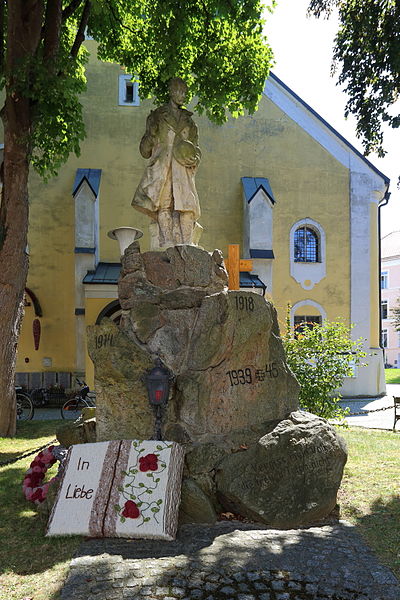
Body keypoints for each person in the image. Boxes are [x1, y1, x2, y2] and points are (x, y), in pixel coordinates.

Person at [132, 77, 201, 247]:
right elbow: (144, 150)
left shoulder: (190, 121)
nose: (183, 95)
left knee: (186, 205)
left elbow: (196, 149)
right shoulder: (157, 116)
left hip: (182, 169)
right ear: (171, 91)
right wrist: (151, 134)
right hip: (162, 168)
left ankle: (186, 244)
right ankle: (166, 242)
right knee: (164, 204)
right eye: (180, 91)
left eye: (185, 92)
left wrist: (195, 158)